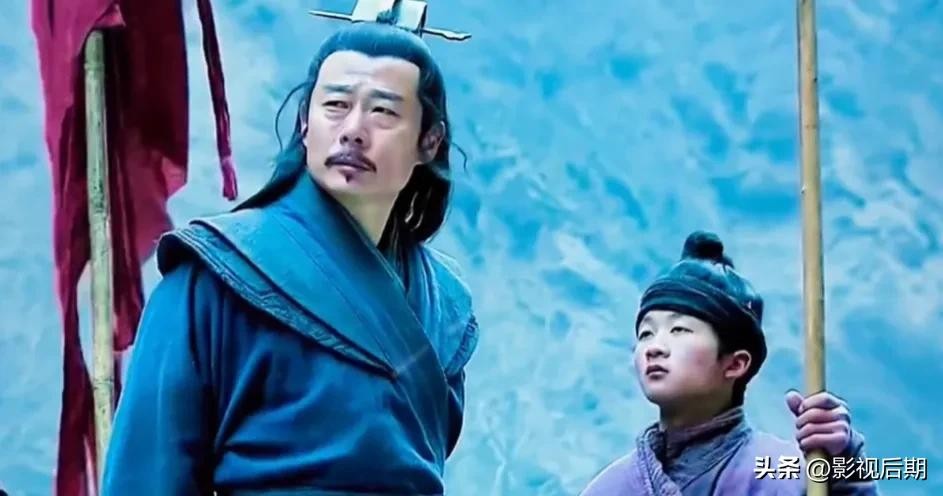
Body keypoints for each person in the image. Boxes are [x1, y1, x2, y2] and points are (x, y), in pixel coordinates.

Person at [102, 19, 479, 496]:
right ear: (305, 122)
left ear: (429, 141)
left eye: (383, 111)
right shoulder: (215, 278)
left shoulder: (444, 307)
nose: (354, 131)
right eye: (336, 105)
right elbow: (146, 479)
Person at [580, 231, 879, 495]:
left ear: (735, 364)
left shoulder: (785, 474)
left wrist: (845, 462)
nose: (654, 347)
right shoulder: (610, 488)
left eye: (678, 330)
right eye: (646, 333)